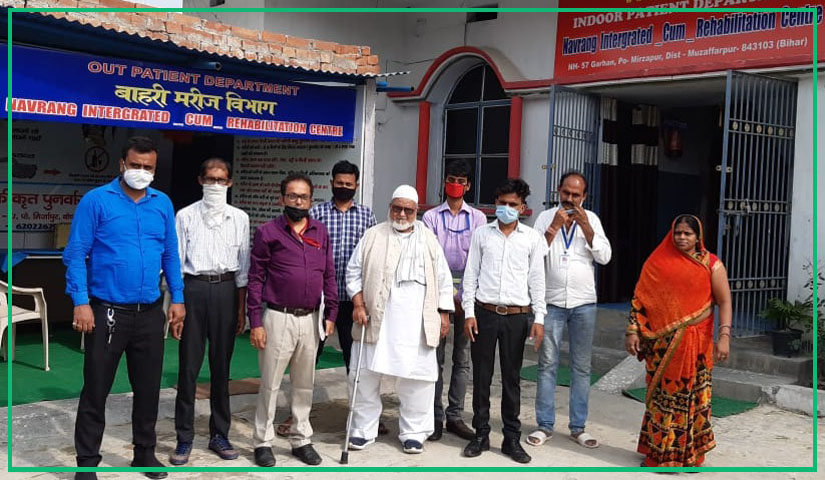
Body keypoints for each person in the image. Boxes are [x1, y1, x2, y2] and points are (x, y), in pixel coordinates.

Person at [64, 136, 185, 480]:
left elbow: (170, 254)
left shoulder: (162, 203)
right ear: (122, 164)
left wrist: (178, 297)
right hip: (107, 311)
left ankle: (144, 454)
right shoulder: (97, 201)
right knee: (96, 388)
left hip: (149, 312)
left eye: (148, 167)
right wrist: (81, 302)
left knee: (148, 389)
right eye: (135, 165)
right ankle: (87, 462)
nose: (141, 172)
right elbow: (75, 254)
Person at [271, 161, 379, 438]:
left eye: (349, 184)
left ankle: (362, 418)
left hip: (354, 302)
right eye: (339, 183)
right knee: (306, 361)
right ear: (331, 183)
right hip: (318, 301)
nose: (344, 187)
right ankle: (296, 416)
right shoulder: (316, 213)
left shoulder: (367, 216)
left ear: (356, 186)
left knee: (356, 361)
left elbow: (373, 256)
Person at [344, 185, 454, 455]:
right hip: (377, 318)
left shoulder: (429, 239)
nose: (402, 214)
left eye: (408, 210)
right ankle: (362, 430)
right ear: (390, 208)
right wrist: (358, 303)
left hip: (417, 321)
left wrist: (443, 314)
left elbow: (443, 279)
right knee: (364, 376)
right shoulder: (373, 235)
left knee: (418, 379)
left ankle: (414, 433)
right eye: (397, 208)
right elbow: (353, 272)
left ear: (416, 211)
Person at [246, 173, 338, 467]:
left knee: (304, 383)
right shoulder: (268, 232)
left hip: (310, 319)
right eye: (293, 196)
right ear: (282, 198)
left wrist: (331, 313)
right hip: (278, 317)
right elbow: (255, 278)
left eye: (304, 197)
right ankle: (263, 441)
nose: (298, 201)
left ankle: (301, 439)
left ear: (311, 201)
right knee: (270, 383)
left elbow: (329, 274)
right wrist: (255, 321)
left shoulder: (320, 232)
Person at [626, 214, 732, 468]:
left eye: (688, 233)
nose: (682, 237)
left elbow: (724, 301)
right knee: (663, 400)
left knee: (692, 398)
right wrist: (633, 331)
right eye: (678, 233)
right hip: (662, 345)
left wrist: (724, 336)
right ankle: (659, 454)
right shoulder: (657, 263)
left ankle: (690, 455)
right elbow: (640, 299)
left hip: (697, 344)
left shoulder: (711, 264)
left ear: (698, 237)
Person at [170, 158, 250, 465]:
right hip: (194, 289)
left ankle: (219, 434)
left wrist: (241, 308)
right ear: (200, 181)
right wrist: (176, 304)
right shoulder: (185, 216)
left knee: (221, 368)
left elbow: (243, 268)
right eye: (210, 179)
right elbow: (176, 262)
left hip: (226, 290)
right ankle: (184, 438)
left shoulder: (239, 218)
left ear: (230, 183)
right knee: (189, 368)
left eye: (221, 180)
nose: (215, 185)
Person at [461, 178, 547, 464]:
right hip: (484, 313)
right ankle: (481, 434)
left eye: (513, 204)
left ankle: (511, 438)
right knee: (481, 376)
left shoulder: (531, 238)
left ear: (522, 207)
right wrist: (469, 312)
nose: (507, 208)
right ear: (495, 203)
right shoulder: (482, 234)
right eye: (502, 203)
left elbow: (537, 279)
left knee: (511, 379)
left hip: (516, 316)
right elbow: (471, 274)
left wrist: (539, 317)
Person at [528, 171, 612, 449]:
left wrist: (586, 227)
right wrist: (553, 227)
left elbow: (605, 257)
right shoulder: (545, 217)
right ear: (558, 191)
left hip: (583, 303)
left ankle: (578, 427)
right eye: (566, 193)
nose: (570, 199)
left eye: (576, 195)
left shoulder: (592, 219)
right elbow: (533, 256)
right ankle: (544, 425)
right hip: (551, 302)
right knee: (547, 365)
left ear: (584, 196)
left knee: (581, 367)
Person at [421, 159, 487, 441]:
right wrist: (446, 297)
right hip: (437, 292)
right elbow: (431, 257)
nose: (455, 185)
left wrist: (464, 296)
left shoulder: (479, 219)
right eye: (451, 180)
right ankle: (434, 416)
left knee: (462, 358)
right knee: (434, 358)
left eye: (461, 181)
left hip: (468, 294)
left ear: (468, 186)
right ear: (444, 182)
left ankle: (455, 416)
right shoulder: (431, 217)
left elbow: (478, 259)